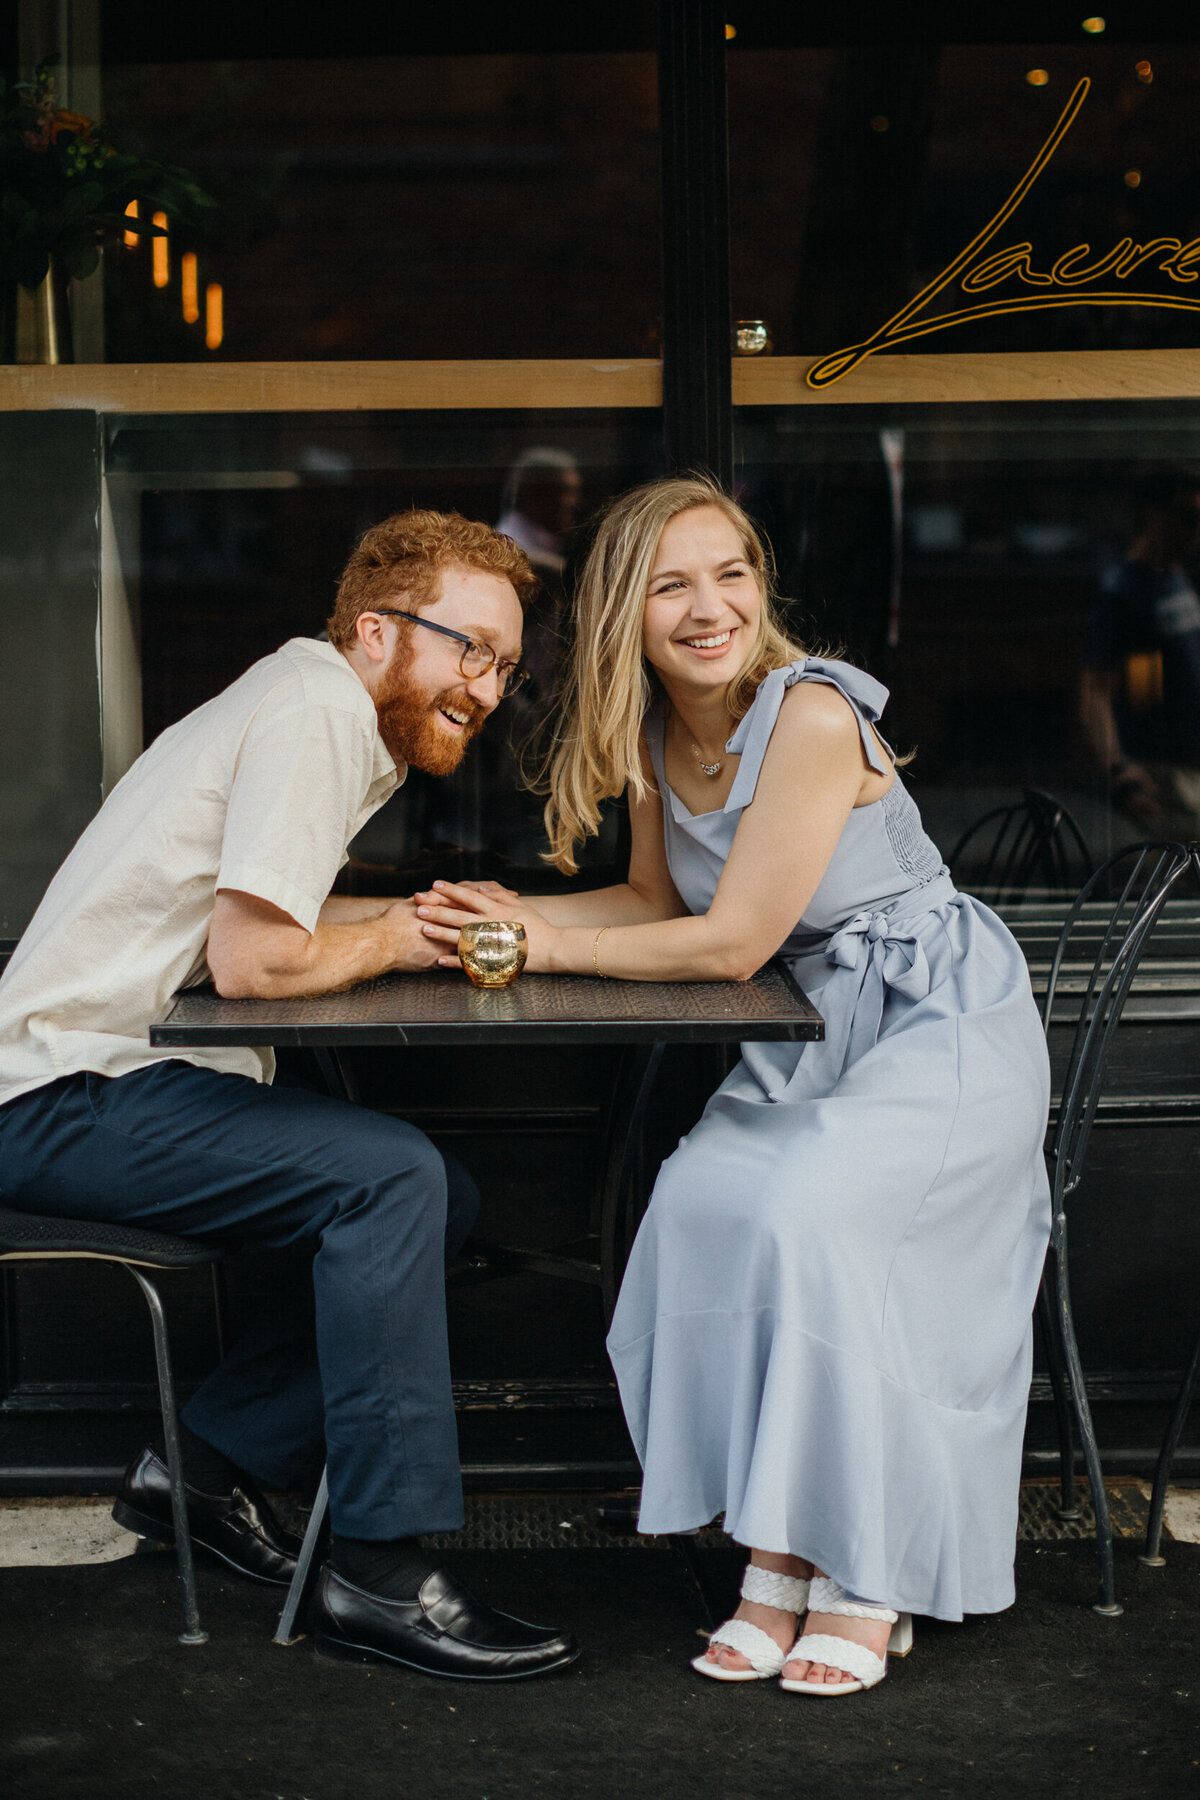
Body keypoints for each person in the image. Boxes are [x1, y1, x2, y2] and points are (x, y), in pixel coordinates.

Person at [417, 475, 1052, 1696]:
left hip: (935, 1022)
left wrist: (541, 951)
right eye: (672, 584)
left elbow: (730, 943)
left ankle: (859, 1572)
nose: (710, 607)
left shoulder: (807, 713)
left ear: (762, 587)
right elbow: (658, 906)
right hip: (810, 1027)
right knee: (705, 1197)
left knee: (812, 1214)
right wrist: (523, 912)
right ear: (625, 614)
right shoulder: (662, 732)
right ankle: (774, 1551)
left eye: (732, 574)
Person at [0, 509, 578, 1682]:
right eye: (470, 647)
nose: (489, 684)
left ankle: (199, 1471)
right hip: (58, 1094)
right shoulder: (317, 707)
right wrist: (399, 938)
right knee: (393, 1180)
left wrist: (397, 926)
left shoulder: (314, 701)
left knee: (435, 1194)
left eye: (507, 663)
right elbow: (257, 965)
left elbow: (261, 937)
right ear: (378, 630)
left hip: (103, 1076)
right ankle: (376, 1572)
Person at [1080, 468, 1200, 839]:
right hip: (1163, 773)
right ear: (1153, 515)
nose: (1195, 530)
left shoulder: (1173, 575)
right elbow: (1096, 691)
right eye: (1188, 518)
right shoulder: (1124, 591)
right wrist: (1120, 769)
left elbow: (1151, 675)